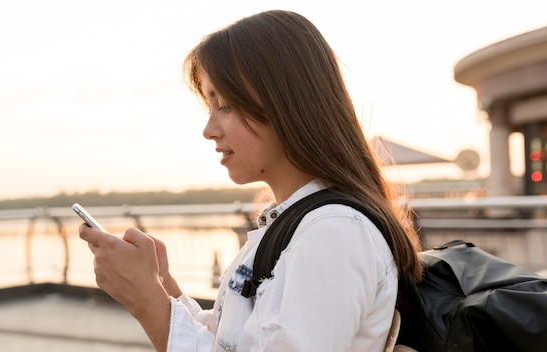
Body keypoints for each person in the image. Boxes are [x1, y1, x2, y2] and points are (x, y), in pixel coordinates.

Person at [79, 9, 423, 351]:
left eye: (224, 104)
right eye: (209, 106)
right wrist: (160, 286)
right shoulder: (296, 222)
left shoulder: (333, 233)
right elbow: (235, 341)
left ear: (285, 102)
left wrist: (146, 302)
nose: (209, 130)